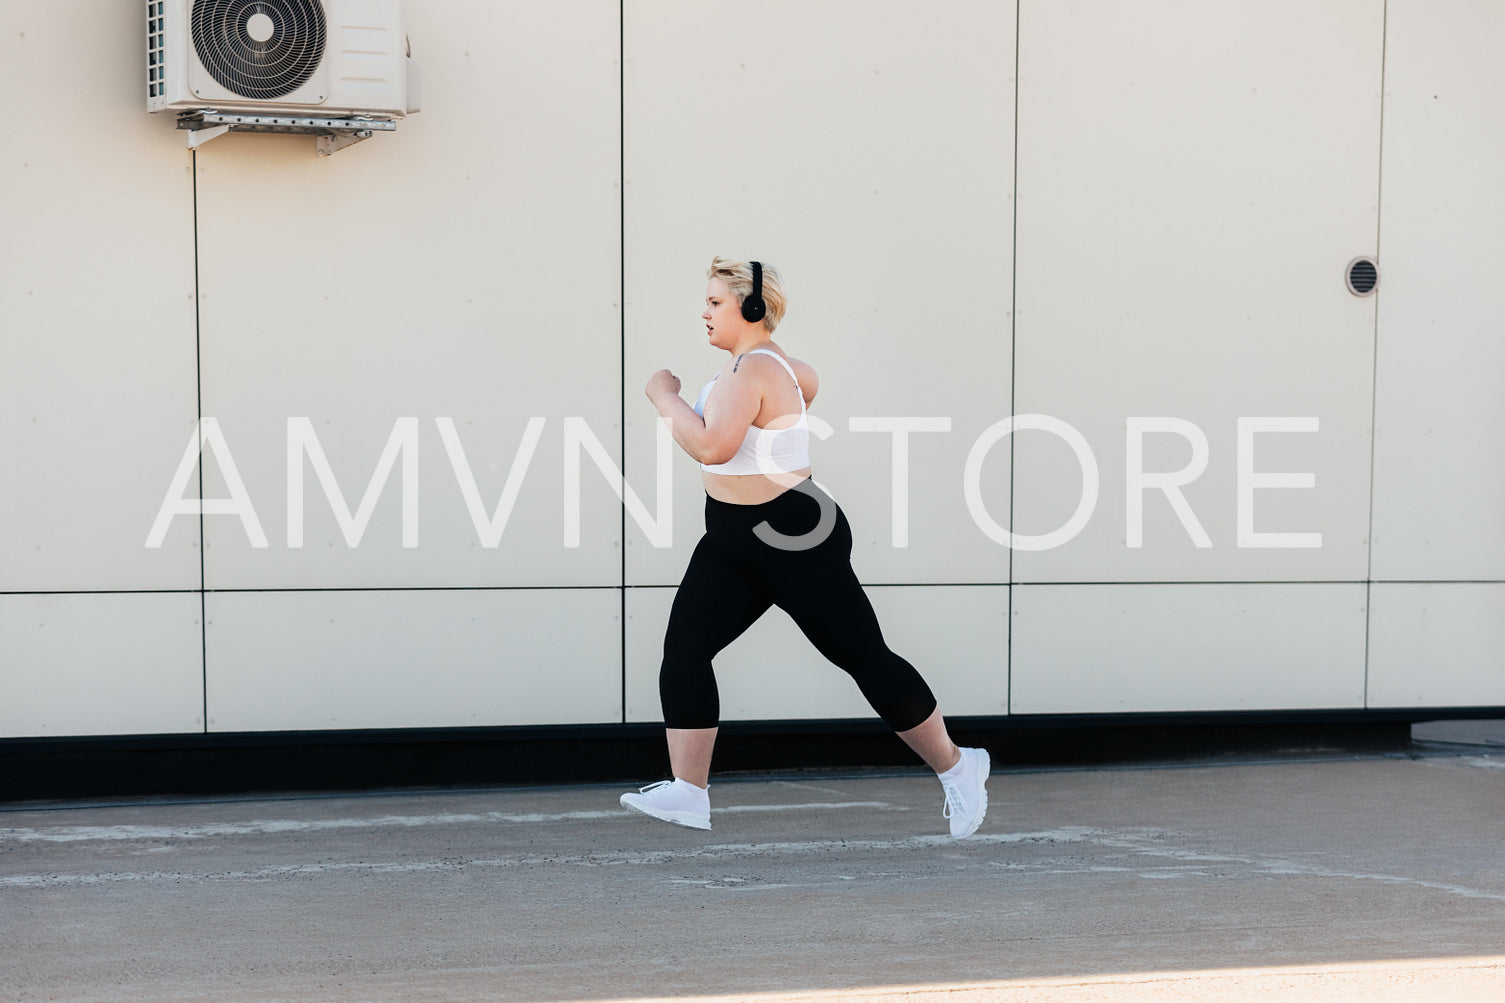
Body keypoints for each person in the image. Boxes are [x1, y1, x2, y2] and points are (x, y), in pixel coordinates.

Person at [622, 257, 990, 838]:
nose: (704, 312)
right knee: (684, 653)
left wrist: (663, 395)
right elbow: (785, 406)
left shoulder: (755, 371)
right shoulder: (769, 370)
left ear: (749, 309)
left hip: (791, 536)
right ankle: (689, 792)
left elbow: (714, 446)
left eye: (715, 302)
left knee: (866, 660)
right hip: (731, 536)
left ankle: (958, 766)